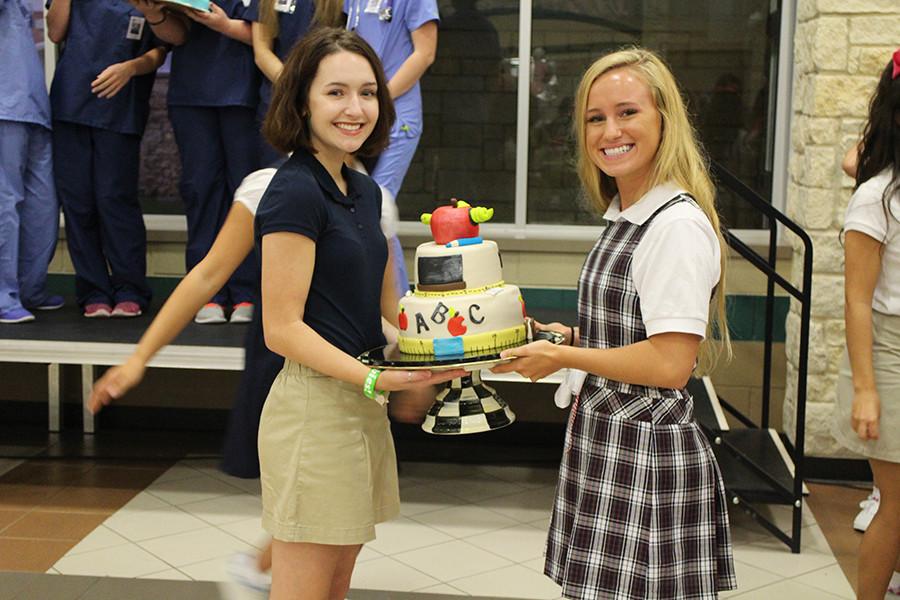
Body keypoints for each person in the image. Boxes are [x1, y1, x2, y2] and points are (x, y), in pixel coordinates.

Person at [493, 47, 737, 599]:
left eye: (628, 112)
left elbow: (671, 364)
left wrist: (565, 358)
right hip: (608, 445)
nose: (610, 131)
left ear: (664, 121)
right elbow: (636, 334)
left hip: (646, 461)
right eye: (595, 118)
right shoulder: (628, 216)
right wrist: (569, 338)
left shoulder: (673, 226)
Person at [256, 27, 462, 599]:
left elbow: (378, 320)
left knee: (337, 585)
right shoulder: (293, 191)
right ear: (302, 102)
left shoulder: (363, 191)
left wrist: (444, 350)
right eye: (336, 93)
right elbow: (283, 328)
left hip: (360, 403)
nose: (356, 108)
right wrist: (375, 376)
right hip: (313, 409)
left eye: (368, 93)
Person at [45, 0, 173, 318]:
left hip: (121, 104)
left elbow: (163, 48)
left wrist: (130, 68)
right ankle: (94, 291)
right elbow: (55, 32)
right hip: (72, 101)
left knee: (114, 198)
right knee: (78, 202)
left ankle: (130, 288)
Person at [832, 49, 900, 599]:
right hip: (889, 351)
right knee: (896, 506)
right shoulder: (877, 197)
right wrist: (866, 390)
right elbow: (857, 302)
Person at [153, 0, 262, 324]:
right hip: (191, 93)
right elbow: (176, 35)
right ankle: (206, 294)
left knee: (245, 196)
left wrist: (222, 24)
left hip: (244, 92)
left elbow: (268, 34)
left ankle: (246, 291)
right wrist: (153, 13)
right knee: (199, 190)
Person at [345, 0, 439, 297]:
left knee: (376, 206)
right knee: (360, 207)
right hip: (360, 113)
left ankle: (396, 309)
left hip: (396, 117)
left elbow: (425, 54)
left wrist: (379, 98)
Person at [0, 0, 63, 324]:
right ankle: (3, 295)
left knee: (43, 205)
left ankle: (29, 288)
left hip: (32, 103)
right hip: (5, 103)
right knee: (5, 203)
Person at [250, 0, 344, 165]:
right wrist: (295, 87)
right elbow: (262, 51)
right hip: (278, 100)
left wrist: (314, 90)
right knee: (274, 173)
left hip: (325, 101)